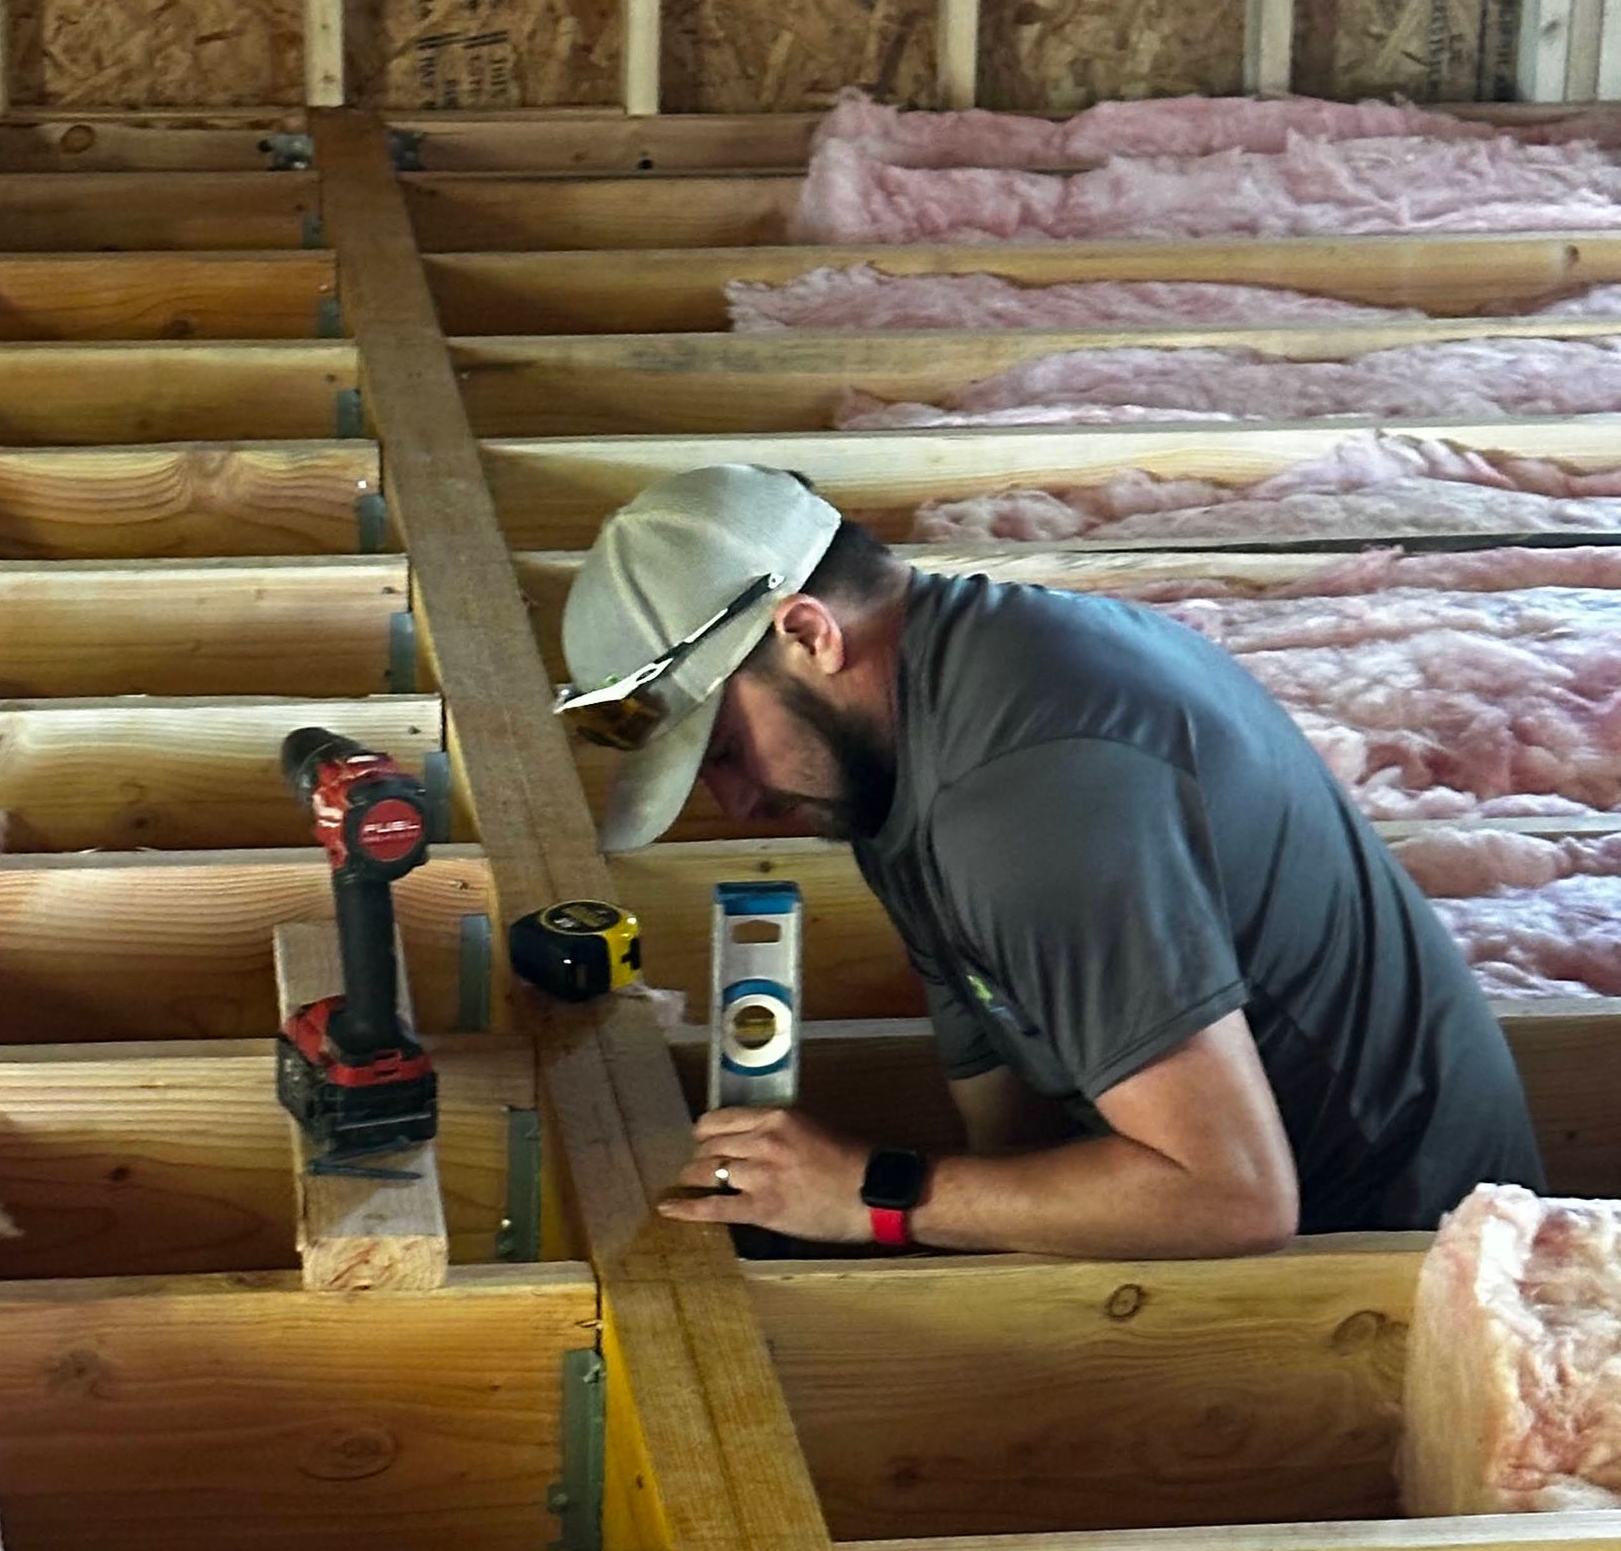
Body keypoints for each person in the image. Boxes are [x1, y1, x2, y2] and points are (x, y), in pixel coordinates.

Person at [554, 463, 1546, 1259]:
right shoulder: (904, 744)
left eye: (725, 750)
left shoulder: (1026, 789)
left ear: (809, 633)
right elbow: (1010, 1131)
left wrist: (869, 1196)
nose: (737, 801)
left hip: (1414, 1257)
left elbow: (1234, 1199)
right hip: (1275, 1210)